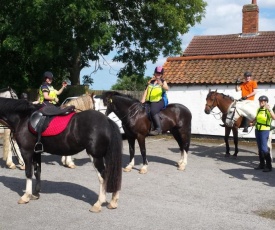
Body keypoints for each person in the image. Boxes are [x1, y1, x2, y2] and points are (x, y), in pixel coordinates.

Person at [141, 66, 169, 135]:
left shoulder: (163, 81)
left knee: (153, 110)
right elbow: (146, 91)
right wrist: (143, 100)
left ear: (161, 74)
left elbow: (167, 88)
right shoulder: (151, 81)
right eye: (157, 73)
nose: (158, 74)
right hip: (149, 101)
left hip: (159, 101)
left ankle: (158, 129)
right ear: (155, 73)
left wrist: (161, 84)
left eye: (159, 73)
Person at [252, 96, 275, 172]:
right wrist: (252, 122)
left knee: (264, 148)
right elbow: (256, 118)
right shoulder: (258, 109)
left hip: (264, 130)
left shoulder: (268, 110)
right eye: (260, 101)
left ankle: (269, 166)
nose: (261, 102)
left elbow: (274, 117)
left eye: (263, 101)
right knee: (260, 148)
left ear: (266, 102)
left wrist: (269, 109)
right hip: (257, 129)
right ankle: (262, 164)